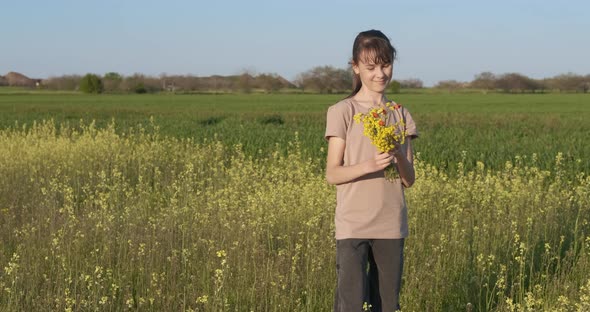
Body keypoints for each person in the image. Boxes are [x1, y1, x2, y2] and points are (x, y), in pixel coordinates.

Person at [324, 29, 419, 312]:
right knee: (351, 304)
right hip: (353, 223)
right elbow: (332, 173)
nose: (380, 73)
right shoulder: (343, 110)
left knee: (388, 305)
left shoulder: (400, 113)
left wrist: (399, 154)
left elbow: (409, 179)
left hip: (391, 223)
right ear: (355, 67)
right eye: (371, 67)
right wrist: (369, 165)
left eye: (386, 64)